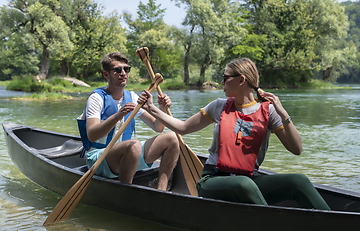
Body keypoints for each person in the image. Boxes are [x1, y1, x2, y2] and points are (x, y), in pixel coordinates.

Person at [138, 57, 330, 210]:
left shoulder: (269, 111)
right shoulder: (219, 106)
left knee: (298, 181)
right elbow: (183, 128)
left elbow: (296, 149)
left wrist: (284, 114)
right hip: (212, 180)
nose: (221, 82)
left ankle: (332, 223)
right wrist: (152, 108)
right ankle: (274, 222)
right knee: (244, 184)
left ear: (241, 80)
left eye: (225, 77)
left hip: (250, 179)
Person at [77, 52, 180, 191]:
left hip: (129, 154)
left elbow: (158, 127)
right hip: (98, 158)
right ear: (106, 75)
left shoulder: (131, 96)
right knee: (134, 145)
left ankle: (161, 191)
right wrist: (118, 115)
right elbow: (92, 135)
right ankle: (126, 192)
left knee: (172, 138)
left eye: (126, 69)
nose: (123, 73)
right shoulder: (97, 98)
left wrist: (160, 108)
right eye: (118, 70)